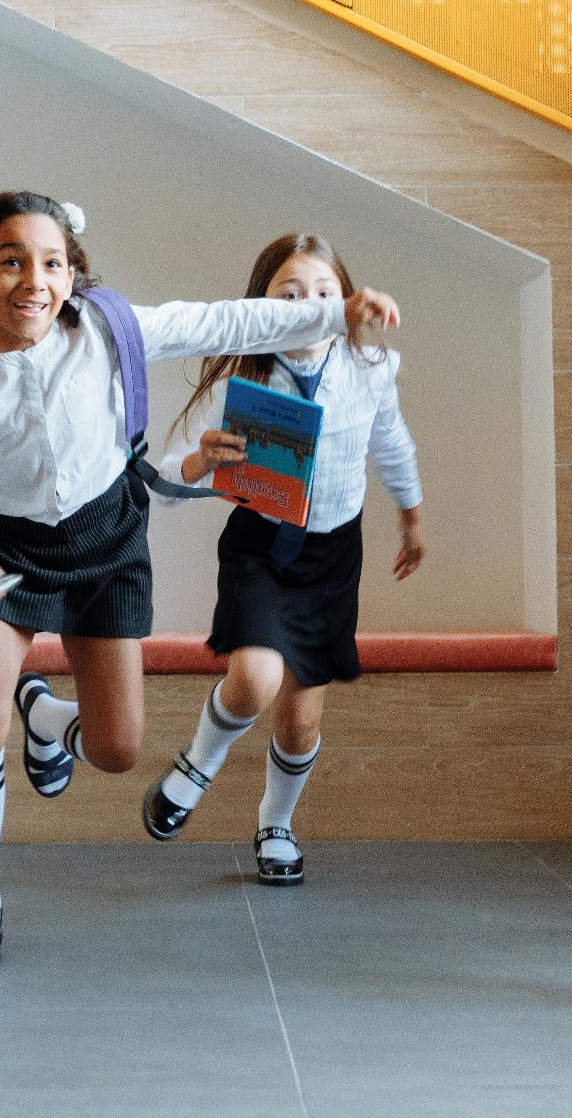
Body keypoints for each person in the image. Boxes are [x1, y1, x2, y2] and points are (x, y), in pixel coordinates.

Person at [0, 192, 401, 967]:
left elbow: (225, 321)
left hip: (106, 540)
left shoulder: (113, 332)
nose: (34, 279)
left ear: (73, 274)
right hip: (0, 552)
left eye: (52, 262)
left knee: (116, 748)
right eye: (11, 260)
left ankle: (46, 718)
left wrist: (333, 313)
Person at [136, 233, 424, 885]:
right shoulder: (248, 378)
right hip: (260, 549)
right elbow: (172, 480)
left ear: (347, 301)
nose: (307, 307)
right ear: (261, 305)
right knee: (254, 680)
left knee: (299, 720)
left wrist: (411, 516)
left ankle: (276, 821)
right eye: (287, 295)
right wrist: (201, 460)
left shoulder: (372, 367)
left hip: (331, 556)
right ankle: (195, 767)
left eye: (323, 293)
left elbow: (392, 443)